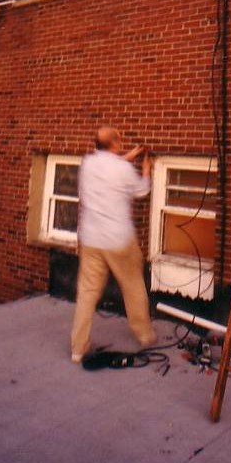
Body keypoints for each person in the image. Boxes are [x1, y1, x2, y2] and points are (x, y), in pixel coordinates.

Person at [70, 126, 156, 363]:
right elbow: (140, 191)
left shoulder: (87, 163)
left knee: (87, 293)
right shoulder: (123, 169)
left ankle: (78, 348)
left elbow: (110, 166)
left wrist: (128, 157)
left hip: (90, 239)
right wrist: (145, 171)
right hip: (118, 240)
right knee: (133, 285)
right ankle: (145, 335)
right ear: (116, 144)